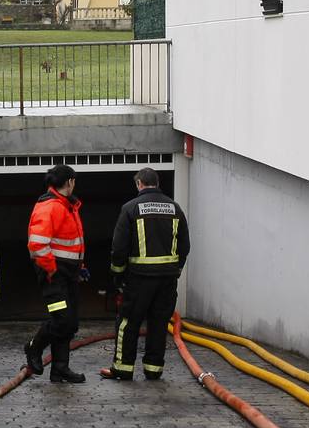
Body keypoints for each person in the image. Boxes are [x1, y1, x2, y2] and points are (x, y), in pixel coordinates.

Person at [103, 167, 190, 380]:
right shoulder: (175, 208)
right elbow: (185, 246)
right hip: (167, 280)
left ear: (139, 184)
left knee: (128, 323)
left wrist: (118, 275)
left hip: (139, 279)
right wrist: (176, 270)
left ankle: (123, 369)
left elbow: (119, 247)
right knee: (159, 323)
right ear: (157, 183)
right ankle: (153, 370)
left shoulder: (131, 208)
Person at [24, 164, 89, 384]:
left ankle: (60, 369)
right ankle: (34, 348)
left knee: (70, 323)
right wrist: (52, 270)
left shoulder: (67, 206)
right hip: (53, 275)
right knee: (62, 319)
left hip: (67, 273)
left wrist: (80, 267)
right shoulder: (50, 207)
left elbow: (72, 243)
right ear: (69, 182)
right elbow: (37, 246)